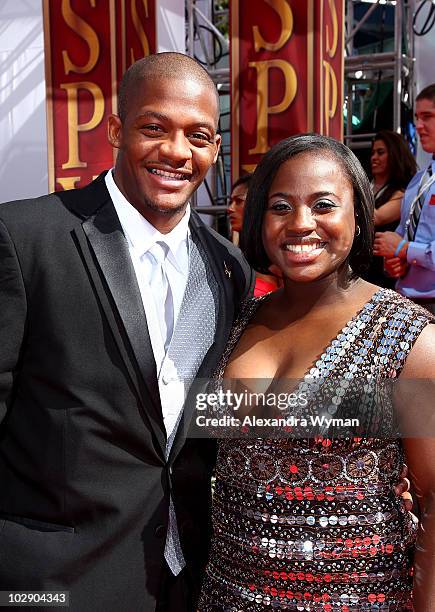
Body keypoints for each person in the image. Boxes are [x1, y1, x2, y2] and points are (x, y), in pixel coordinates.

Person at [0, 53, 253, 612]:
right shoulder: (25, 239)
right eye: (154, 128)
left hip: (183, 577)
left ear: (215, 149)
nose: (176, 152)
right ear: (116, 129)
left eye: (199, 136)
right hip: (50, 582)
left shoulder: (229, 267)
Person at [197, 134, 435, 610]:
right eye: (280, 206)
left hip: (357, 599)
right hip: (226, 593)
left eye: (324, 205)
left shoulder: (409, 337)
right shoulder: (238, 317)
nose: (301, 224)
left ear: (358, 215)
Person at [374, 84, 435, 313]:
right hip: (405, 300)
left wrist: (402, 248)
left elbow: (400, 243)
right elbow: (400, 236)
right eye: (417, 117)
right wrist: (393, 262)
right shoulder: (417, 181)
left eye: (427, 117)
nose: (419, 126)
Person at [365, 130, 417, 288]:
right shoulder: (367, 185)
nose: (374, 157)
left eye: (380, 152)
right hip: (361, 265)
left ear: (395, 155)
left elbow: (376, 217)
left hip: (382, 272)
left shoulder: (402, 193)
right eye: (373, 152)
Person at [228, 173, 282, 296]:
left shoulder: (285, 253)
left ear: (258, 203)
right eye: (231, 201)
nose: (230, 208)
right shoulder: (231, 256)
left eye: (239, 201)